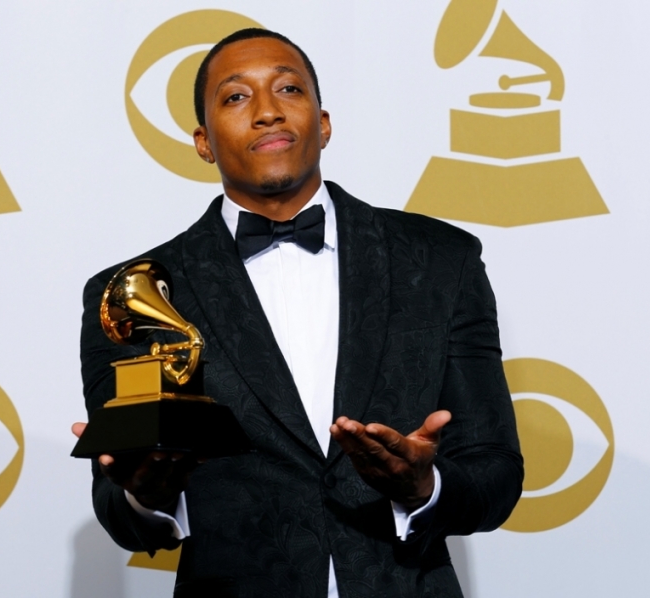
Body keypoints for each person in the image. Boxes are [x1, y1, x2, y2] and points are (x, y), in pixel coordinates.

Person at [73, 28, 522, 598]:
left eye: (288, 89)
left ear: (324, 123)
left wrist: (423, 485)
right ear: (203, 142)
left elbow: (494, 472)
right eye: (236, 97)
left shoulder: (440, 260)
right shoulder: (136, 293)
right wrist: (148, 494)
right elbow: (119, 507)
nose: (267, 111)